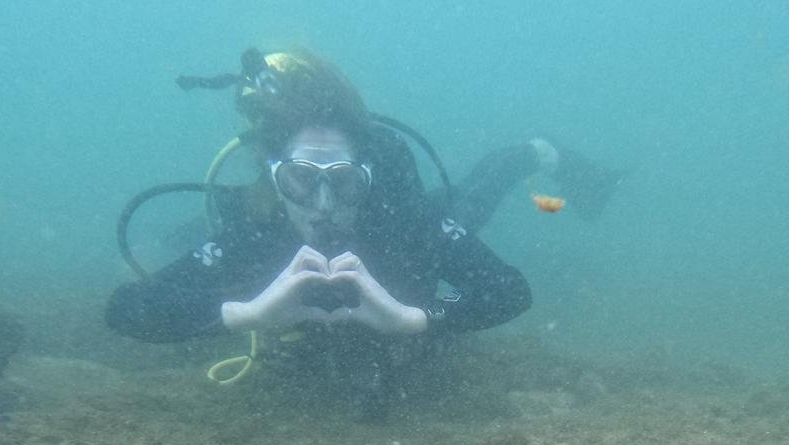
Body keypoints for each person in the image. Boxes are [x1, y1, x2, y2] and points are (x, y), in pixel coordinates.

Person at [105, 49, 621, 420]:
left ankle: (538, 151)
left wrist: (418, 319)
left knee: (468, 202)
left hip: (413, 222)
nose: (323, 206)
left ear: (368, 178)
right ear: (274, 177)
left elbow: (509, 290)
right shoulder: (258, 232)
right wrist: (246, 315)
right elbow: (128, 307)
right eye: (300, 180)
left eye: (344, 181)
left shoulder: (404, 223)